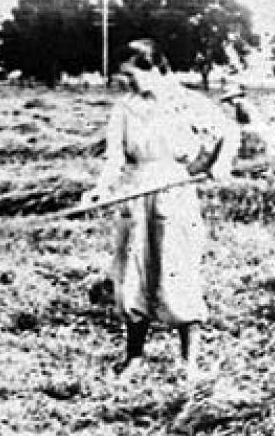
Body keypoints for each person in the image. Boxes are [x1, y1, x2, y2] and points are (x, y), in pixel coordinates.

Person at [81, 39, 238, 382]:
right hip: (137, 191)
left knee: (177, 266)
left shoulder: (186, 101)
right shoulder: (125, 108)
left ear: (154, 67)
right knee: (133, 271)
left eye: (131, 74)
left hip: (174, 189)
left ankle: (189, 362)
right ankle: (134, 357)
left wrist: (220, 164)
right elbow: (114, 158)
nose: (127, 83)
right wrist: (100, 190)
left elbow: (229, 132)